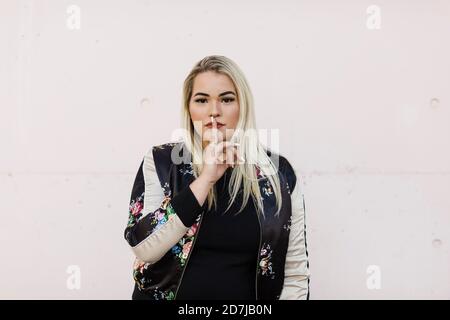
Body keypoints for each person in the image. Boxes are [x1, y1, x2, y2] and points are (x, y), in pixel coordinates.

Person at [124, 55, 310, 300]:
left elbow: (295, 272)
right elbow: (144, 247)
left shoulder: (277, 173)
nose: (214, 111)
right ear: (189, 109)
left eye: (227, 99)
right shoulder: (162, 161)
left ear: (242, 105)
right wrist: (205, 179)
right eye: (202, 100)